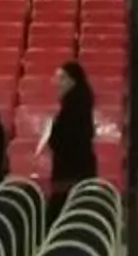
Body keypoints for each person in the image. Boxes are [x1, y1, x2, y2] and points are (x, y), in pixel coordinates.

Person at [39, 59, 98, 193]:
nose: (57, 83)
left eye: (62, 78)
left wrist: (52, 131)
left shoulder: (73, 108)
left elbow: (64, 139)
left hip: (70, 171)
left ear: (72, 81)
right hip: (79, 168)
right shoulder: (79, 104)